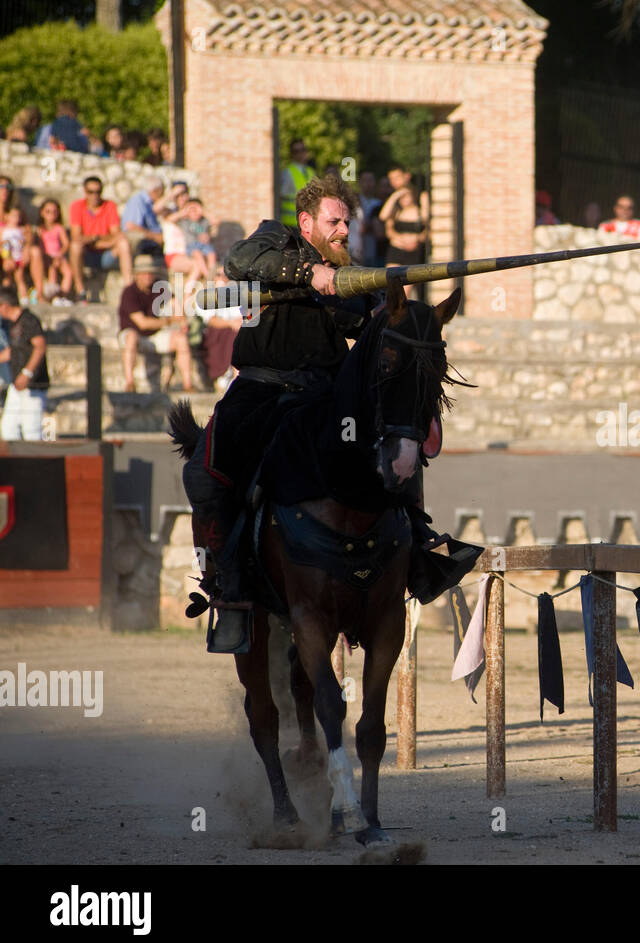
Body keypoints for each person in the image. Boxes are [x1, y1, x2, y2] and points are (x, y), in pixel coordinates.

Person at [181, 174, 471, 653]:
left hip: (325, 398)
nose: (342, 231)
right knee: (205, 473)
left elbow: (379, 321)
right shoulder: (276, 239)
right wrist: (307, 273)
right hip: (262, 389)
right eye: (335, 221)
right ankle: (228, 585)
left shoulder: (352, 277)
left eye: (347, 223)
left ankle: (417, 550)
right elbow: (238, 262)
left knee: (397, 439)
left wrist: (385, 314)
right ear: (307, 221)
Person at [118, 254, 194, 393]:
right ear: (137, 274)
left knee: (181, 339)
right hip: (135, 335)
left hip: (156, 335)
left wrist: (182, 320)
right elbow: (142, 323)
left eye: (150, 273)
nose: (147, 276)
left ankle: (188, 384)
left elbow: (175, 306)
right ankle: (129, 382)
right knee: (131, 337)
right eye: (144, 273)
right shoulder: (129, 293)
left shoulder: (159, 287)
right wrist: (168, 321)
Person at [69, 175, 132, 299]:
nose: (94, 195)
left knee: (123, 243)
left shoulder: (109, 206)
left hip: (106, 255)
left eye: (98, 192)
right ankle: (80, 290)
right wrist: (100, 239)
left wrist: (93, 239)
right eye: (90, 192)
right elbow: (76, 238)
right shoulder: (77, 207)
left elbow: (117, 235)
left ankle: (129, 288)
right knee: (75, 247)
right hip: (87, 254)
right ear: (85, 192)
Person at [0, 287, 50, 440]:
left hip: (32, 385)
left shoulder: (28, 320)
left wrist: (27, 373)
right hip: (17, 386)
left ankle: (37, 464)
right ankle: (14, 464)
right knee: (8, 428)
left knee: (32, 431)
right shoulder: (13, 324)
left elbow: (40, 346)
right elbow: (12, 351)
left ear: (4, 305)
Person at [36, 199, 73, 303]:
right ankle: (53, 296)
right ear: (42, 213)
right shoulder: (40, 230)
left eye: (54, 212)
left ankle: (63, 296)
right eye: (48, 211)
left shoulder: (59, 228)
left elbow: (66, 244)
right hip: (46, 256)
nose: (51, 215)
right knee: (52, 271)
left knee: (68, 272)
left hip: (58, 255)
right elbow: (40, 245)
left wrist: (59, 254)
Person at [121, 176, 167, 255]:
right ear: (156, 190)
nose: (163, 194)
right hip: (145, 242)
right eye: (162, 191)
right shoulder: (138, 201)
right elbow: (131, 226)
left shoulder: (150, 203)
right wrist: (155, 236)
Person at [278, 139, 317, 227]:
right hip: (290, 223)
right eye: (296, 151)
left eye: (303, 150)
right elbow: (280, 197)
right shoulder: (287, 172)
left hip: (307, 223)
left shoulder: (310, 172)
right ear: (291, 154)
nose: (300, 154)